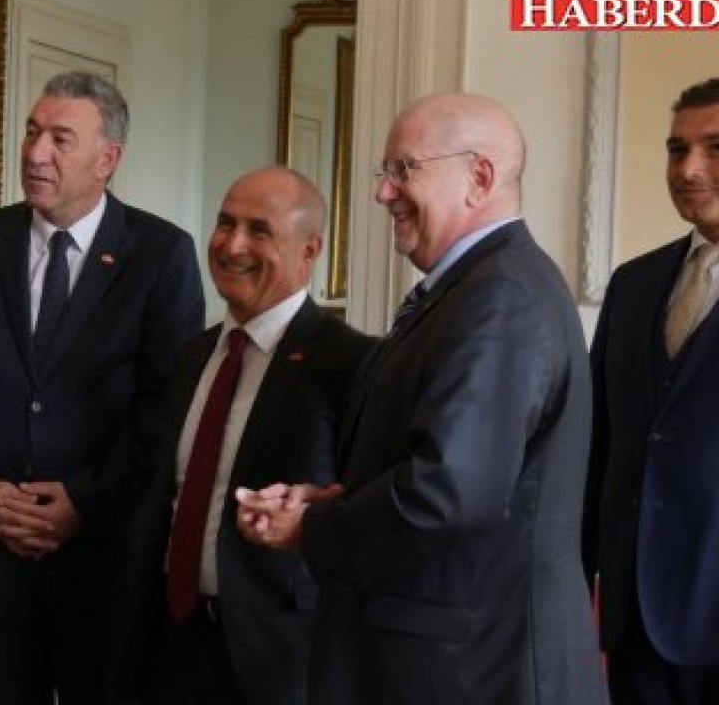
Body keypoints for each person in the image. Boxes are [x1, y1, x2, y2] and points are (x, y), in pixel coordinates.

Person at [237, 93, 607, 705]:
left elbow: (446, 494)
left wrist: (315, 527)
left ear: (478, 177)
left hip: (472, 671)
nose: (382, 192)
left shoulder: (501, 297)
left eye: (402, 169)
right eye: (384, 171)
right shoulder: (471, 288)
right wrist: (335, 500)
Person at [0, 70, 204, 704]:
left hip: (103, 552)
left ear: (108, 159)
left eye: (60, 138)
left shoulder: (161, 254)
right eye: (32, 131)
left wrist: (84, 503)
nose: (35, 152)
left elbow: (165, 406)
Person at [112, 167, 373, 705]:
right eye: (225, 223)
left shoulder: (350, 363)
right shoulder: (195, 355)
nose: (232, 246)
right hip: (169, 642)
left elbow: (361, 513)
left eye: (259, 230)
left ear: (310, 249)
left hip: (278, 658)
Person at [585, 77, 719, 705]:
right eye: (676, 148)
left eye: (715, 148)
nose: (688, 169)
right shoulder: (633, 283)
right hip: (634, 618)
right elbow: (598, 444)